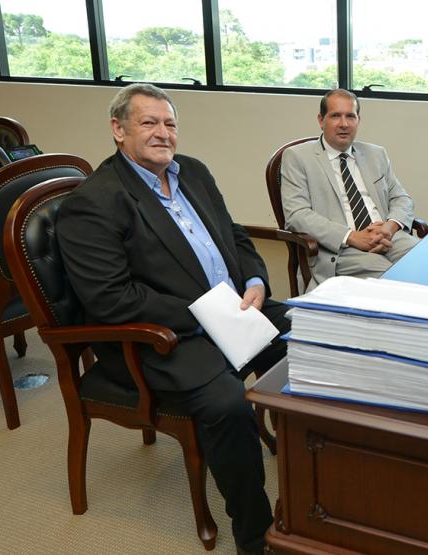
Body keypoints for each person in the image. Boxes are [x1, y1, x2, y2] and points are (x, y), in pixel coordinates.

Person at [56, 83, 288, 555]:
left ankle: (321, 478)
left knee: (314, 335)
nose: (163, 133)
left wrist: (256, 282)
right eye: (148, 123)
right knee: (227, 405)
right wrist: (208, 314)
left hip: (236, 311)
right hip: (157, 338)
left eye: (170, 123)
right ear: (118, 131)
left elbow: (236, 236)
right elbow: (110, 299)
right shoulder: (94, 202)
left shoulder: (194, 173)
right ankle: (255, 533)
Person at [280, 88, 418, 291]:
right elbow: (297, 214)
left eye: (350, 116)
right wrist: (352, 237)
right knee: (392, 278)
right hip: (341, 248)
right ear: (321, 120)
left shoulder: (376, 154)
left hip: (386, 237)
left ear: (358, 121)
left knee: (427, 263)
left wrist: (389, 228)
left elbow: (401, 198)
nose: (344, 124)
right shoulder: (297, 157)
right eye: (335, 116)